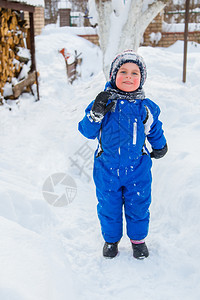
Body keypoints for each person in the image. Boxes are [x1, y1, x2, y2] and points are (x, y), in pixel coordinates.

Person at [78, 50, 167, 259]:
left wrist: (160, 146)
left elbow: (155, 129)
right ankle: (111, 241)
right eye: (123, 71)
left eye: (135, 73)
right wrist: (96, 114)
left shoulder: (146, 107)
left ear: (142, 78)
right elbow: (86, 131)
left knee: (139, 205)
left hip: (138, 169)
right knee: (109, 206)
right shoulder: (103, 102)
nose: (129, 76)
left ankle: (138, 241)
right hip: (106, 168)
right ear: (113, 76)